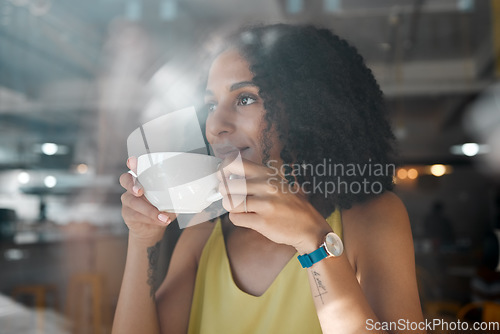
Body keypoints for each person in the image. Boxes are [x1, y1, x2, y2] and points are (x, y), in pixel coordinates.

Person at [113, 24, 424, 333]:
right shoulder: (205, 234)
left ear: (307, 109)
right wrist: (142, 239)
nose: (214, 125)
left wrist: (312, 240)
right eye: (211, 105)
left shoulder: (373, 219)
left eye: (245, 98)